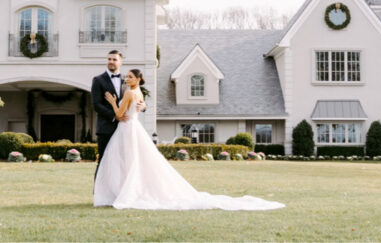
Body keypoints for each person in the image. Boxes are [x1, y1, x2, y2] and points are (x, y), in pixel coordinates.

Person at [93, 68, 284, 211]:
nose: (127, 79)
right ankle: (129, 190)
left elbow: (119, 114)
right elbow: (139, 107)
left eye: (131, 77)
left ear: (138, 79)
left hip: (126, 128)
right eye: (126, 76)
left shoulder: (128, 92)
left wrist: (111, 102)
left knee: (125, 162)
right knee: (135, 162)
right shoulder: (140, 93)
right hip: (134, 128)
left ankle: (126, 192)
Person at [91, 50, 144, 178]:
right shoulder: (98, 80)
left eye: (114, 59)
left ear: (120, 62)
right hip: (106, 128)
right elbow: (96, 105)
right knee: (103, 161)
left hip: (126, 129)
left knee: (124, 162)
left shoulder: (127, 80)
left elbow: (139, 98)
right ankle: (98, 194)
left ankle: (119, 192)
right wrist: (115, 115)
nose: (111, 62)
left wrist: (143, 106)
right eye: (109, 59)